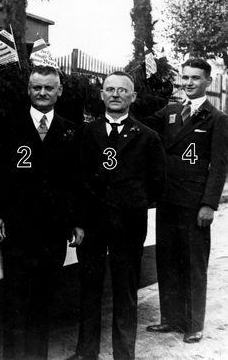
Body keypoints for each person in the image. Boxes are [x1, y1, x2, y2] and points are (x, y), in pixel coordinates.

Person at [0, 66, 85, 359]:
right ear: (28, 90)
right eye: (36, 88)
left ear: (59, 91)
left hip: (53, 232)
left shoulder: (71, 130)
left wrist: (78, 221)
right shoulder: (9, 126)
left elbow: (78, 181)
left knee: (43, 301)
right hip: (17, 231)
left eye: (48, 88)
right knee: (15, 301)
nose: (42, 93)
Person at [67, 71, 165, 360]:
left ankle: (124, 354)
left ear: (133, 97)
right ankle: (87, 352)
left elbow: (157, 183)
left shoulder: (147, 137)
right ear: (101, 95)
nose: (115, 94)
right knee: (90, 289)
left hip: (129, 224)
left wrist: (129, 203)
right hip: (92, 225)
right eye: (110, 89)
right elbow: (76, 176)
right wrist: (80, 218)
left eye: (123, 90)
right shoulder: (85, 133)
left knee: (125, 292)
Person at [140, 58, 228, 344]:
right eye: (185, 78)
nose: (188, 83)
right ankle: (171, 319)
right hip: (167, 199)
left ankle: (193, 324)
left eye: (195, 78)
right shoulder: (171, 111)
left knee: (193, 263)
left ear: (207, 82)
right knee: (167, 260)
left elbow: (219, 166)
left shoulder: (217, 118)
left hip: (194, 204)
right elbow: (140, 125)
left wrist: (209, 205)